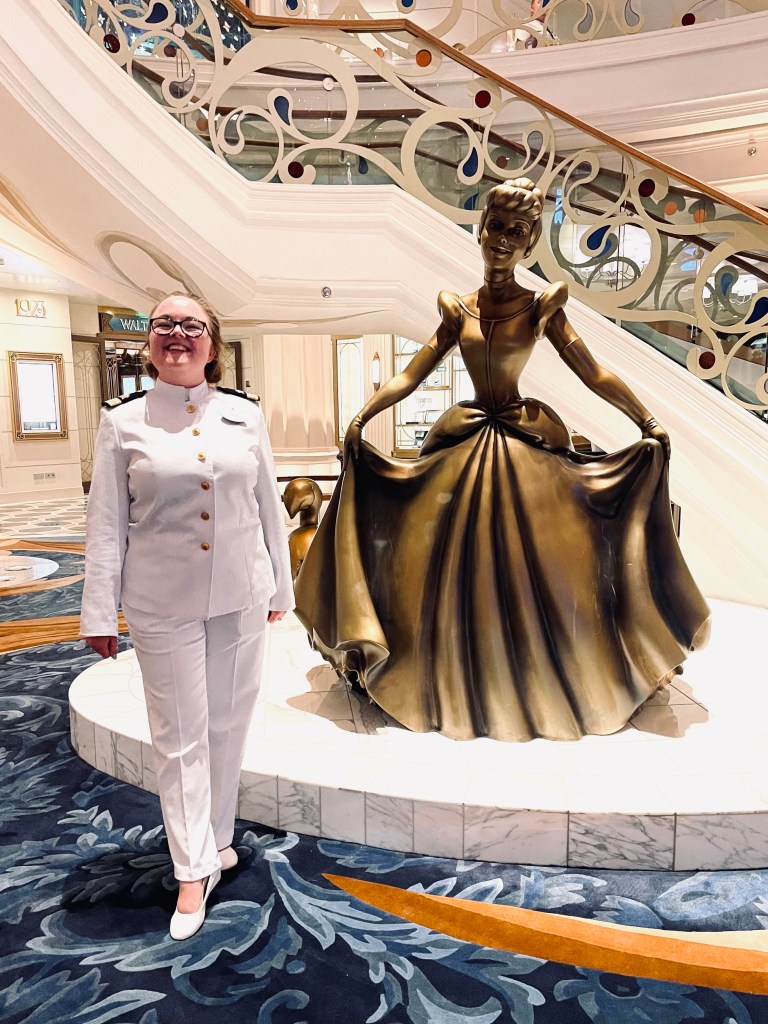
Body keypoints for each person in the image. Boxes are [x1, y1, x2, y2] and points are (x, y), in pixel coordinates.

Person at [295, 178, 710, 743]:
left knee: (549, 566)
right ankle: (440, 678)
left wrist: (647, 421)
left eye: (517, 232)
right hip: (466, 442)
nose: (502, 241)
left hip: (522, 444)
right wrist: (362, 417)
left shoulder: (541, 307)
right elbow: (412, 374)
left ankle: (566, 676)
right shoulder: (457, 308)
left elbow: (593, 373)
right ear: (480, 229)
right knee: (439, 565)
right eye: (495, 227)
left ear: (530, 242)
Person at [80, 292, 293, 940]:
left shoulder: (244, 415)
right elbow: (107, 524)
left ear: (212, 343)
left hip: (241, 593)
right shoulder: (123, 422)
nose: (177, 334)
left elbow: (268, 507)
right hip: (160, 601)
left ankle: (217, 839)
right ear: (149, 344)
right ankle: (192, 870)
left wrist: (280, 588)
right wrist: (99, 610)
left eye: (191, 325)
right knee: (179, 738)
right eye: (164, 325)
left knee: (228, 726)